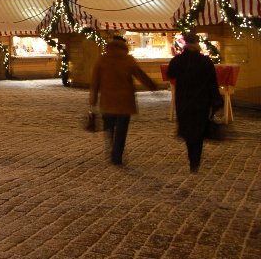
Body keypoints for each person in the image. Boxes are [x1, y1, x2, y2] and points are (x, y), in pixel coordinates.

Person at [89, 35, 157, 166]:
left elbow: (95, 81)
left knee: (110, 130)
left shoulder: (102, 60)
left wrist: (93, 99)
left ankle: (112, 150)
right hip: (125, 102)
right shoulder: (128, 59)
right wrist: (152, 85)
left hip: (107, 102)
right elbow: (140, 75)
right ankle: (117, 155)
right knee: (121, 130)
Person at [166, 32, 224, 173]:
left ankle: (192, 158)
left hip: (184, 101)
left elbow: (170, 74)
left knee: (188, 130)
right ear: (197, 44)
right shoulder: (205, 61)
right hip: (202, 101)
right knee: (199, 130)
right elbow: (212, 83)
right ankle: (196, 160)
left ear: (185, 44)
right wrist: (216, 100)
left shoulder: (178, 60)